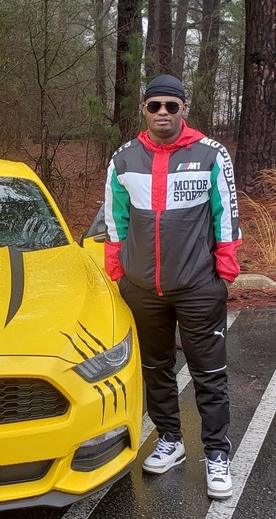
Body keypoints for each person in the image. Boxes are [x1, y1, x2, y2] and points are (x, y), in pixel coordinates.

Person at [103, 74, 242, 500]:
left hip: (198, 287)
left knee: (209, 373)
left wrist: (224, 273)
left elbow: (226, 215)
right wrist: (119, 272)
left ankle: (216, 453)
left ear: (184, 108)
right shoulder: (124, 159)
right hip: (143, 289)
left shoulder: (211, 154)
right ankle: (170, 440)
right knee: (156, 369)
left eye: (171, 105)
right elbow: (115, 219)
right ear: (144, 110)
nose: (162, 112)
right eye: (154, 106)